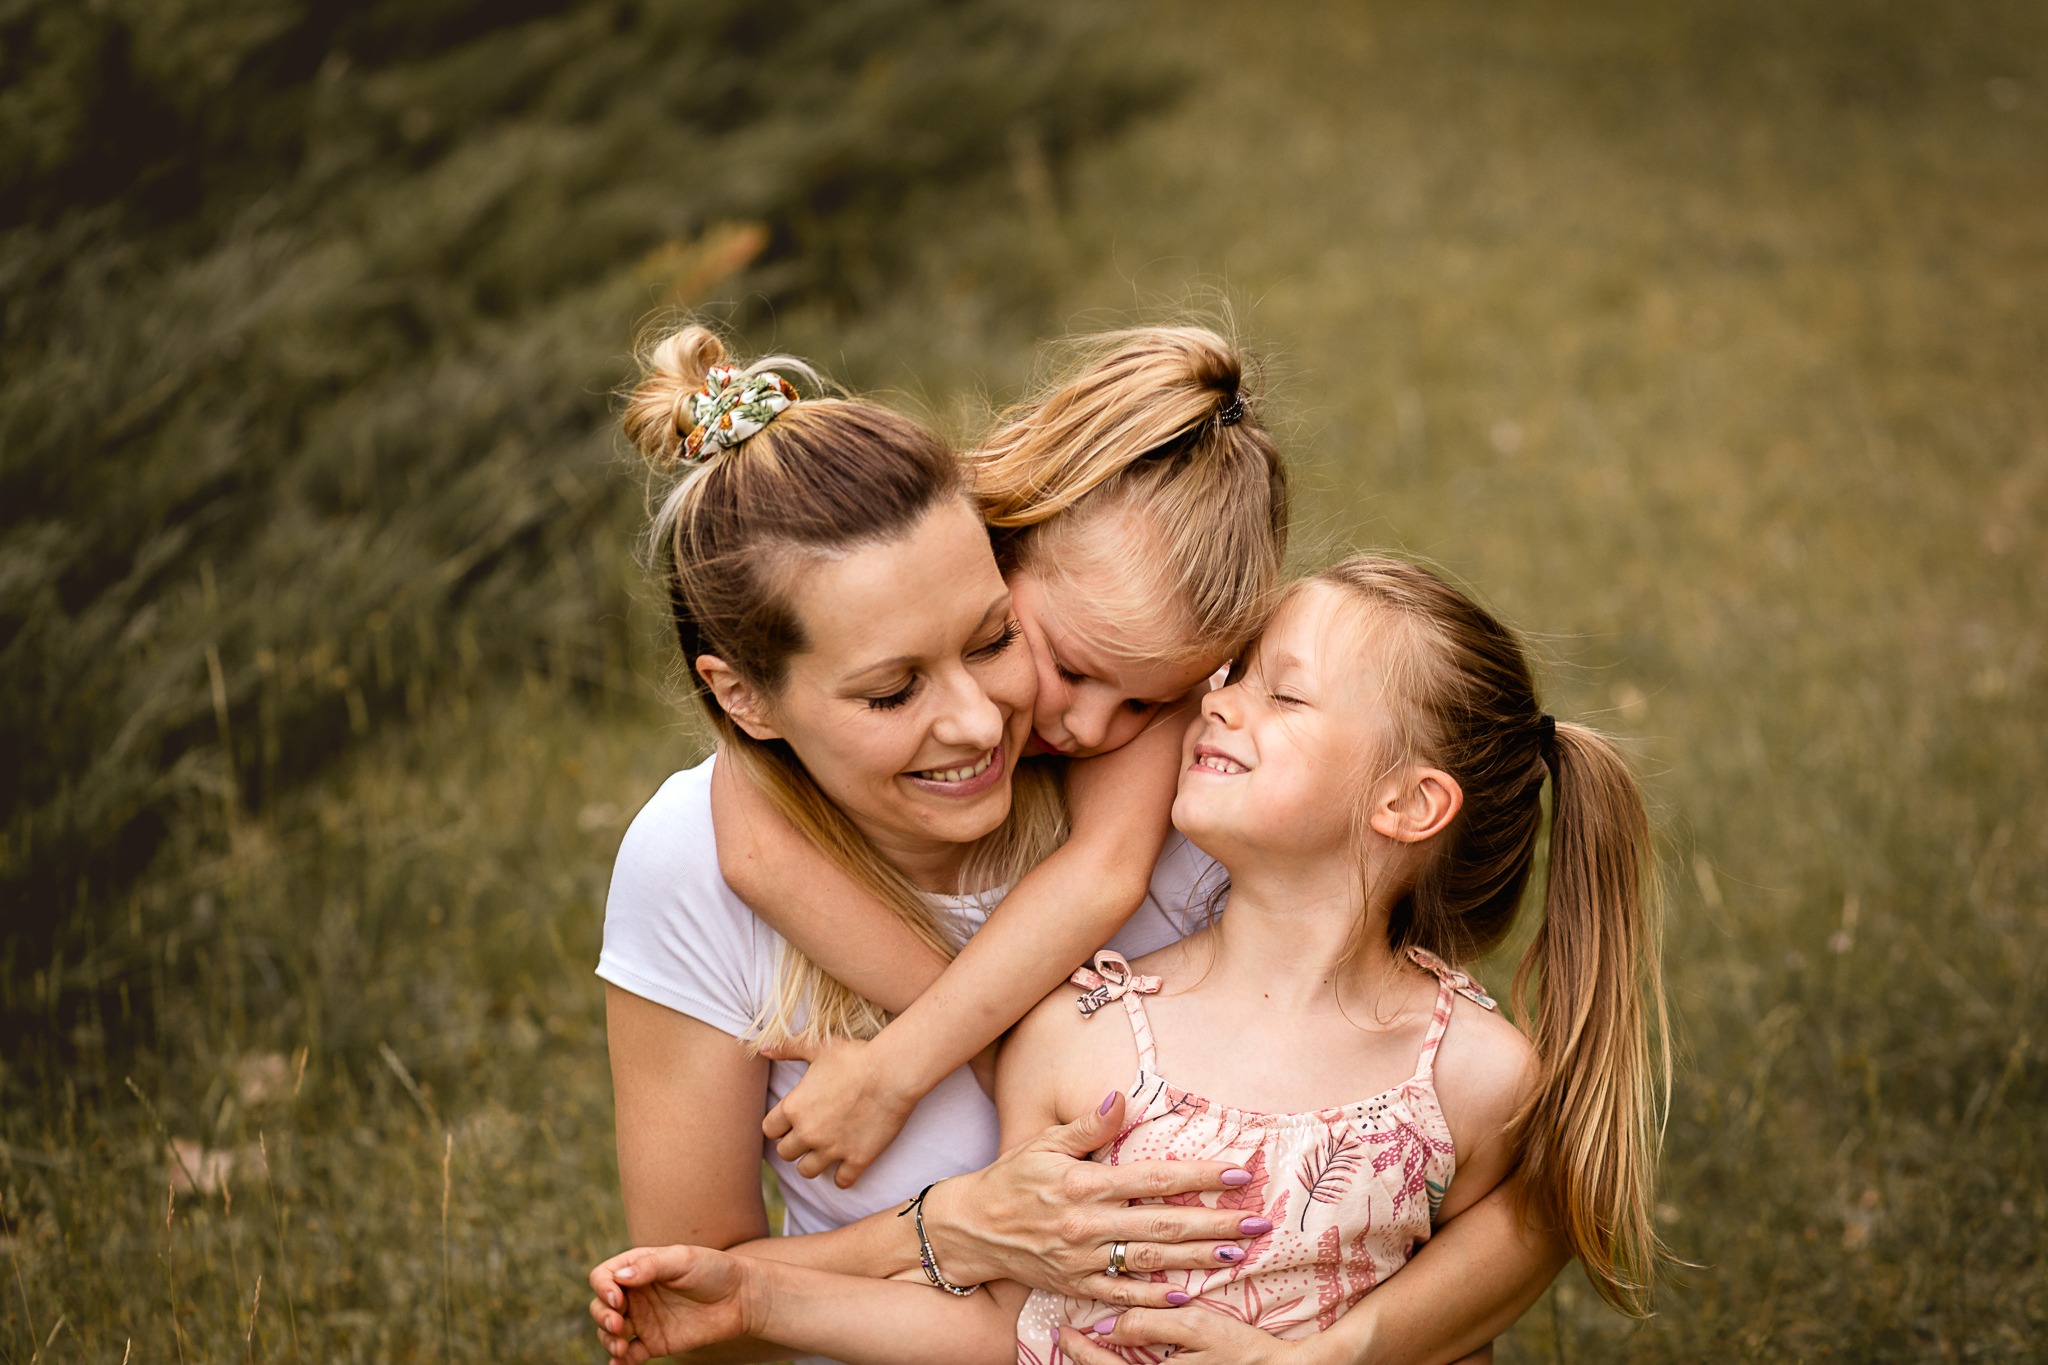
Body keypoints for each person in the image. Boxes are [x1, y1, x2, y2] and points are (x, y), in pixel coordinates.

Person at [588, 554, 1667, 1365]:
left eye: (1278, 695)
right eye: (1231, 675)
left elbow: (1506, 1257)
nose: (1215, 697)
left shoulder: (1468, 1074)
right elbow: (1014, 1326)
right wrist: (757, 1300)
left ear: (1408, 803)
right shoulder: (1087, 1040)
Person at [597, 321, 1288, 1365]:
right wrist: (951, 1226)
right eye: (890, 689)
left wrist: (897, 1067)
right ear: (743, 702)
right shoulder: (703, 855)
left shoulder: (1189, 777)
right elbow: (685, 1312)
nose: (976, 722)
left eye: (991, 642)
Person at [710, 326, 1290, 1189]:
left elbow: (1102, 874)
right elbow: (754, 848)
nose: (1092, 726)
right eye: (1069, 667)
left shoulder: (1152, 678)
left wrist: (897, 1067)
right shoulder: (913, 563)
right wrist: (986, 1053)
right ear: (1000, 543)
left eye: (1146, 700)